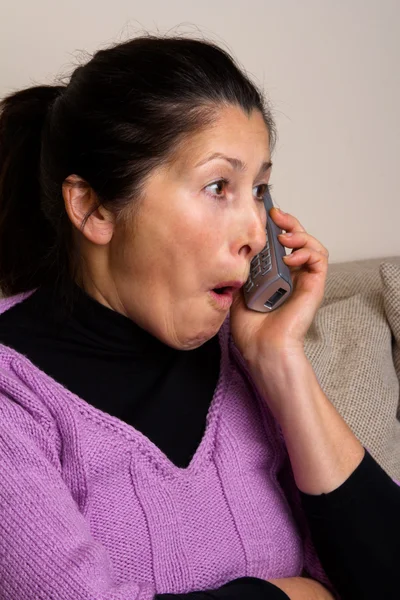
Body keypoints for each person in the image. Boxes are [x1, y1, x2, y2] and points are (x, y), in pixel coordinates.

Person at [0, 34, 398, 600]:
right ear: (93, 208)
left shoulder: (241, 356)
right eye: (218, 186)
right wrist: (293, 596)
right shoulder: (13, 393)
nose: (256, 232)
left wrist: (280, 363)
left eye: (258, 188)